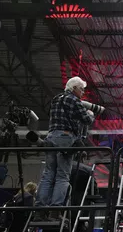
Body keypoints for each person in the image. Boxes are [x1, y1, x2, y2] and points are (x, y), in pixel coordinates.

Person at [34, 76, 94, 221]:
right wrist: (91, 114)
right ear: (74, 88)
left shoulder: (56, 99)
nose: (83, 93)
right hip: (65, 139)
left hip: (51, 137)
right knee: (62, 176)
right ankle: (56, 210)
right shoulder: (73, 100)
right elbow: (86, 120)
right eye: (81, 89)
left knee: (48, 174)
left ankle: (39, 211)